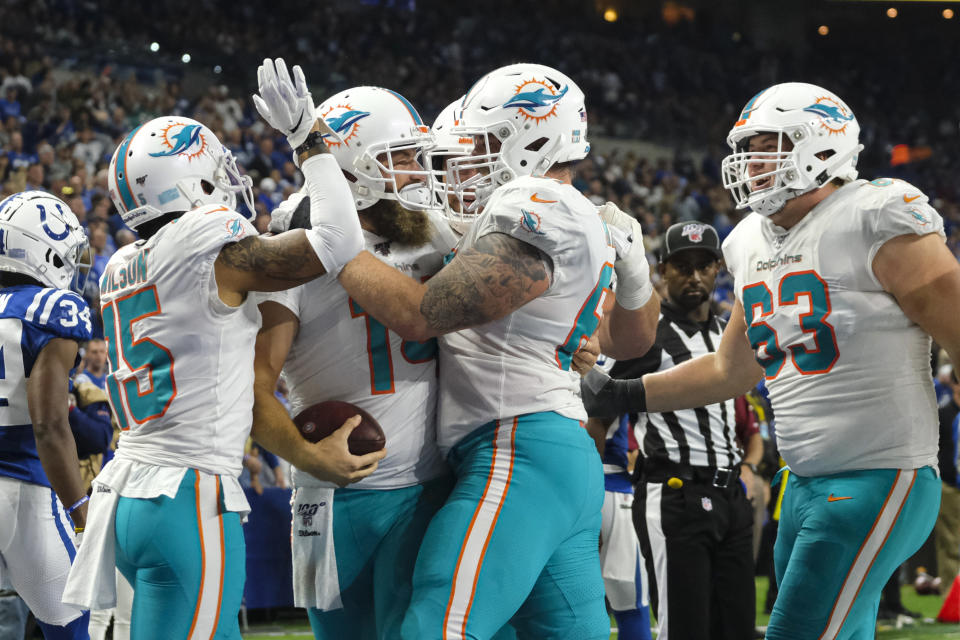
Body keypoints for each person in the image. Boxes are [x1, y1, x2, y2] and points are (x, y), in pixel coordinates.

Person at [581, 82, 958, 639]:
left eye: (767, 145)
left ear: (822, 148)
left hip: (881, 473)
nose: (750, 162)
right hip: (802, 481)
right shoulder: (748, 240)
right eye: (748, 148)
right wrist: (626, 395)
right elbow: (730, 370)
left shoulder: (876, 214)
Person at [63, 60, 386, 639]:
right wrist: (307, 141)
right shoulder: (202, 240)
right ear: (194, 184)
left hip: (131, 493)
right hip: (188, 497)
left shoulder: (122, 266)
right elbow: (338, 240)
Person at [335, 62, 659, 638]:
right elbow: (630, 340)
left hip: (517, 447)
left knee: (438, 622)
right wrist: (634, 276)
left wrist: (331, 242)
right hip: (555, 450)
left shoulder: (537, 202)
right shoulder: (566, 211)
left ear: (536, 141)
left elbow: (420, 314)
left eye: (483, 144)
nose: (466, 162)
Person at [253, 83, 451, 639]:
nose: (419, 171)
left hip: (429, 484)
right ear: (354, 167)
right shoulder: (297, 237)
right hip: (336, 493)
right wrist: (306, 457)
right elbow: (254, 385)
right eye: (402, 158)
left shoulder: (432, 229)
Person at [600, 221, 755, 639]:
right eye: (682, 266)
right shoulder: (645, 338)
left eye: (704, 265)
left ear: (718, 269)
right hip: (674, 492)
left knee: (738, 628)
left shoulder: (729, 333)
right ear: (662, 269)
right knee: (685, 628)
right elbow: (599, 412)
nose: (694, 276)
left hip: (730, 493)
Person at [0, 190, 93, 639]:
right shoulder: (52, 309)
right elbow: (50, 425)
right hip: (22, 489)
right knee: (71, 625)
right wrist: (81, 509)